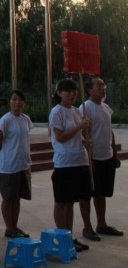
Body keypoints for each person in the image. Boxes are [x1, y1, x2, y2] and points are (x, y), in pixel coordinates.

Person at [49, 79, 91, 252]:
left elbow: (76, 134)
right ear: (59, 92)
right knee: (62, 201)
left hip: (78, 160)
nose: (72, 94)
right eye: (68, 90)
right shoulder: (57, 111)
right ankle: (62, 237)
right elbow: (60, 137)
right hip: (64, 162)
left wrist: (84, 140)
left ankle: (69, 236)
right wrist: (80, 126)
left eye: (74, 90)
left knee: (70, 202)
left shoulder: (76, 111)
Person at [79, 77, 123, 240]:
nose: (103, 88)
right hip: (93, 158)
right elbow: (83, 134)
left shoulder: (106, 108)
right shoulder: (85, 108)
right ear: (89, 90)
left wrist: (115, 154)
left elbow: (110, 131)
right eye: (99, 85)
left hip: (107, 156)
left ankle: (101, 224)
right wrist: (89, 159)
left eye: (103, 85)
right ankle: (87, 227)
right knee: (87, 193)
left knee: (101, 192)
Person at [0, 89, 33, 239]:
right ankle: (9, 227)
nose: (17, 102)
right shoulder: (5, 120)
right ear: (9, 102)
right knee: (8, 198)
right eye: (14, 99)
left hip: (22, 165)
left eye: (20, 99)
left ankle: (14, 226)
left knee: (17, 197)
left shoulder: (26, 119)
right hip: (8, 166)